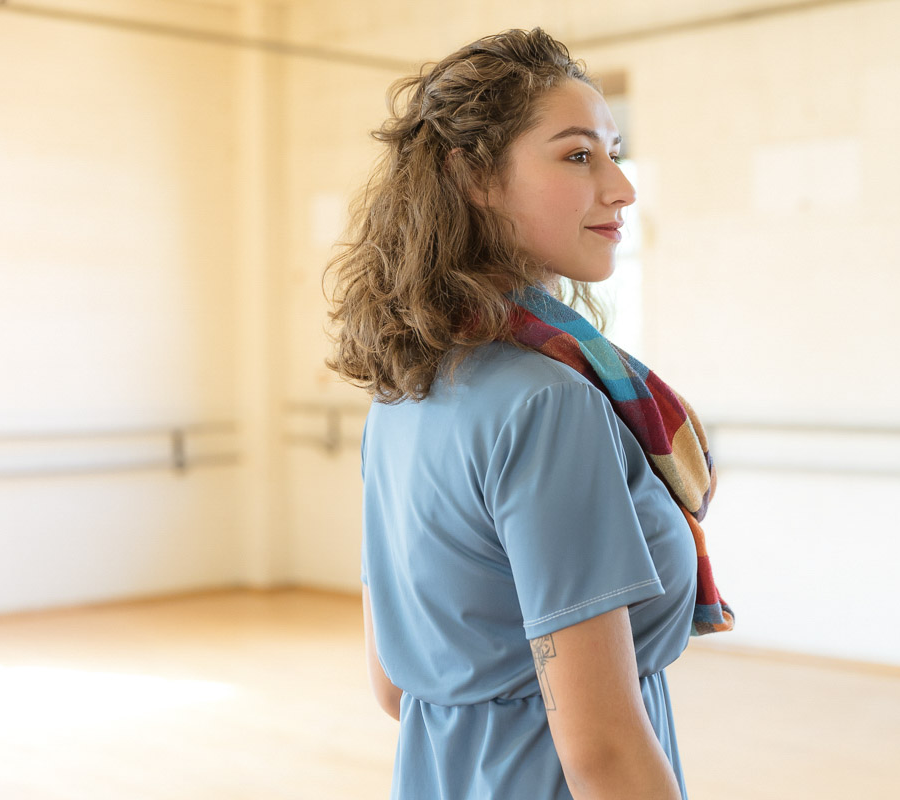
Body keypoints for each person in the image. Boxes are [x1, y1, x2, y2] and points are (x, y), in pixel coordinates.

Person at [325, 27, 732, 800]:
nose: (621, 185)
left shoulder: (405, 388)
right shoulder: (553, 406)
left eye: (614, 151)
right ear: (475, 176)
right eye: (579, 155)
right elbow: (604, 750)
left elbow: (394, 688)